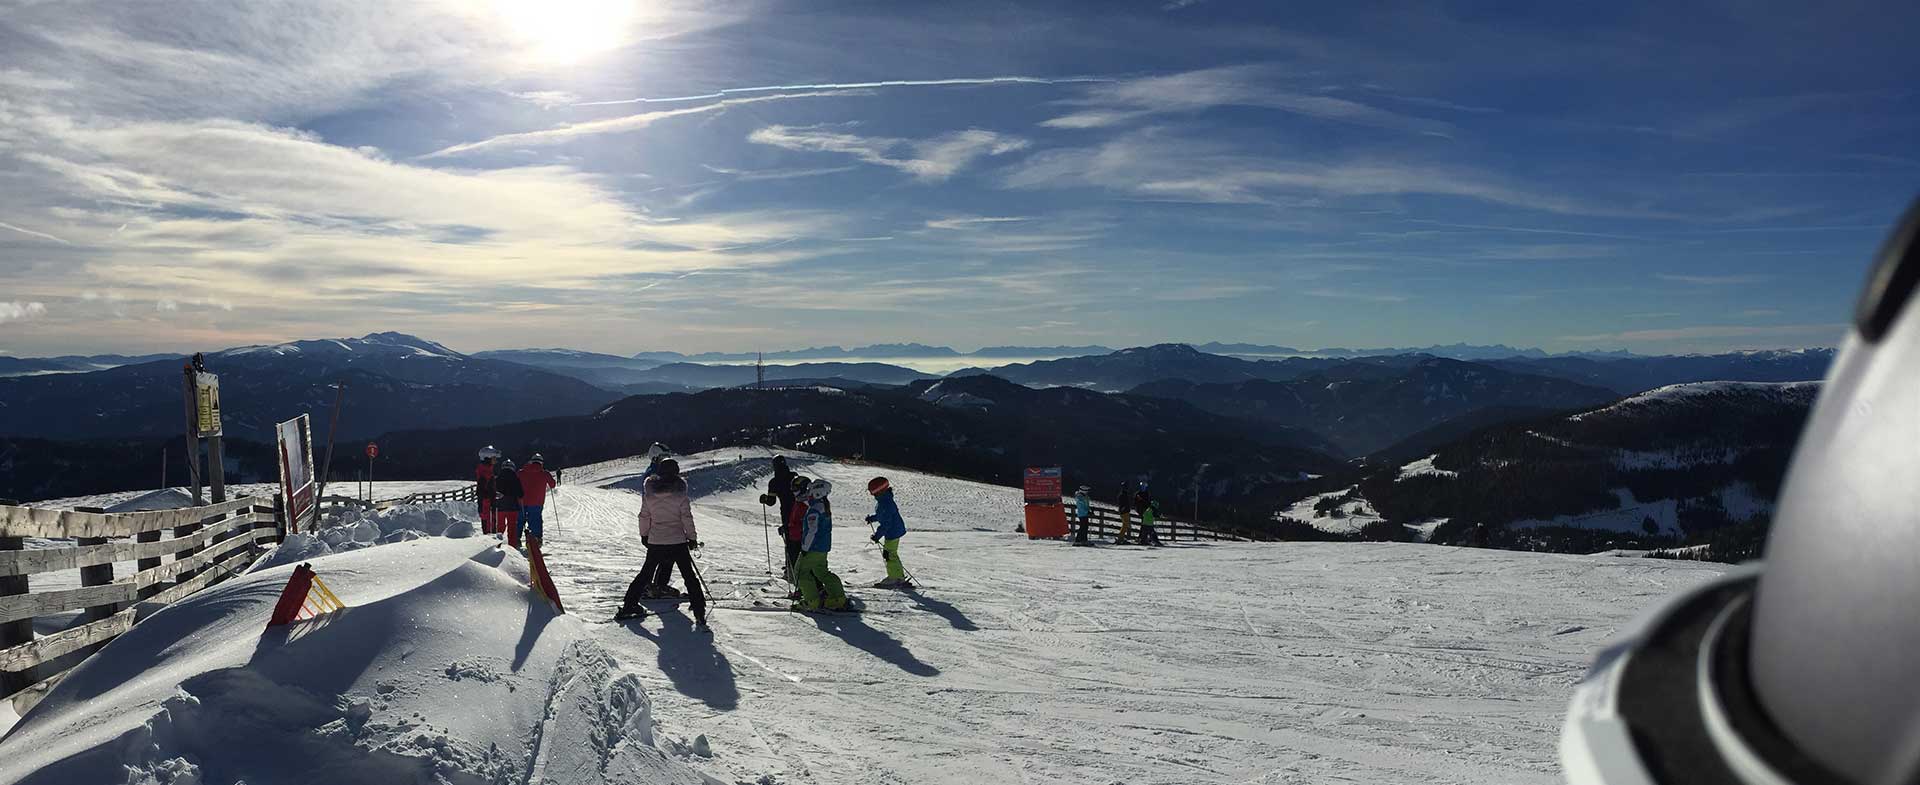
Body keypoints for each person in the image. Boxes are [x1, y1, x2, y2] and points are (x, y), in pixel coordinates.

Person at [617, 458, 707, 630]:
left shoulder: (650, 493)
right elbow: (686, 518)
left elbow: (644, 516)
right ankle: (699, 610)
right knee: (689, 576)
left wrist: (644, 535)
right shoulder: (680, 493)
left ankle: (629, 605)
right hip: (677, 541)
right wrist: (692, 538)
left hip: (656, 540)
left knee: (645, 574)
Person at [792, 479, 847, 612]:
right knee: (822, 572)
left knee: (800, 572)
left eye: (810, 491)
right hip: (823, 547)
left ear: (816, 493)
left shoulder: (814, 510)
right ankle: (837, 598)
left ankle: (812, 601)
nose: (808, 494)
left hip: (813, 548)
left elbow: (812, 531)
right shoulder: (822, 506)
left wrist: (805, 548)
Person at [864, 476, 910, 588]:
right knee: (891, 553)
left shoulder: (885, 503)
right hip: (894, 530)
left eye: (873, 493)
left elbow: (886, 523)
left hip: (892, 532)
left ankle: (894, 578)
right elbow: (882, 516)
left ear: (879, 491)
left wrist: (877, 536)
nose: (873, 495)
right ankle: (898, 576)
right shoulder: (885, 500)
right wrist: (873, 518)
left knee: (889, 554)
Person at [517, 454, 556, 545]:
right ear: (541, 463)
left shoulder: (521, 472)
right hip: (537, 501)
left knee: (520, 519)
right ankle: (536, 538)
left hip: (521, 501)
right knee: (535, 519)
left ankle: (515, 538)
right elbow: (553, 485)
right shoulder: (544, 473)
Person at [495, 458, 523, 546]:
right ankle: (512, 546)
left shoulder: (497, 478)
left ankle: (497, 545)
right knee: (512, 527)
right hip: (513, 507)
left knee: (500, 526)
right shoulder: (516, 479)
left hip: (500, 506)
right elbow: (521, 494)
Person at [475, 447, 499, 534]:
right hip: (487, 504)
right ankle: (491, 544)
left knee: (491, 523)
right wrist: (489, 496)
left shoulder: (488, 469)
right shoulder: (485, 472)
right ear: (487, 458)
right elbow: (482, 490)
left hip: (489, 502)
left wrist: (494, 493)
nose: (495, 460)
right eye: (494, 458)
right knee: (489, 526)